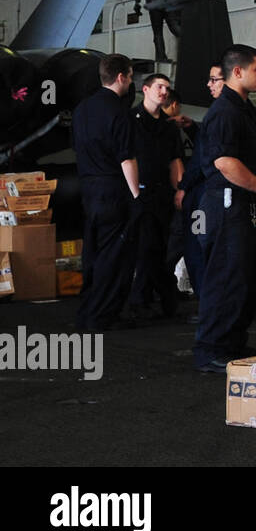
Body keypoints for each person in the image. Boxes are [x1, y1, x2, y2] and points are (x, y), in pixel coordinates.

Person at [193, 45, 256, 372]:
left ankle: (232, 342)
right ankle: (211, 350)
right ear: (237, 72)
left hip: (246, 204)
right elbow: (225, 163)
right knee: (226, 276)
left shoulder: (246, 109)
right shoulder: (224, 111)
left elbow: (253, 159)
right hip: (227, 206)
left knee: (246, 278)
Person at [71, 54, 142, 332]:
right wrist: (137, 195)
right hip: (113, 188)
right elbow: (127, 159)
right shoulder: (119, 111)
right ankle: (102, 316)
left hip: (88, 188)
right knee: (115, 256)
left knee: (93, 252)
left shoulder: (82, 109)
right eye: (131, 76)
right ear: (122, 77)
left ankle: (88, 310)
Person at [125, 73, 184, 322]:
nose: (164, 92)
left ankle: (158, 301)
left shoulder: (169, 127)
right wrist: (134, 193)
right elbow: (126, 158)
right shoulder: (131, 121)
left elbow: (175, 161)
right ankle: (144, 300)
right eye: (159, 87)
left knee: (159, 248)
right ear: (145, 89)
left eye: (167, 88)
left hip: (163, 193)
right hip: (140, 191)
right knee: (147, 247)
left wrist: (180, 189)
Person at [174, 63, 224, 320]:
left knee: (197, 248)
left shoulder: (218, 114)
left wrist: (183, 187)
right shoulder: (229, 113)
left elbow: (202, 160)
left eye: (214, 80)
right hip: (214, 195)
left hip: (200, 195)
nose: (209, 84)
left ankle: (207, 306)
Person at [133, 0, 181, 64]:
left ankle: (161, 57)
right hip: (168, 4)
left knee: (158, 33)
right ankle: (190, 48)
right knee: (176, 29)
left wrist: (137, 3)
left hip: (155, 6)